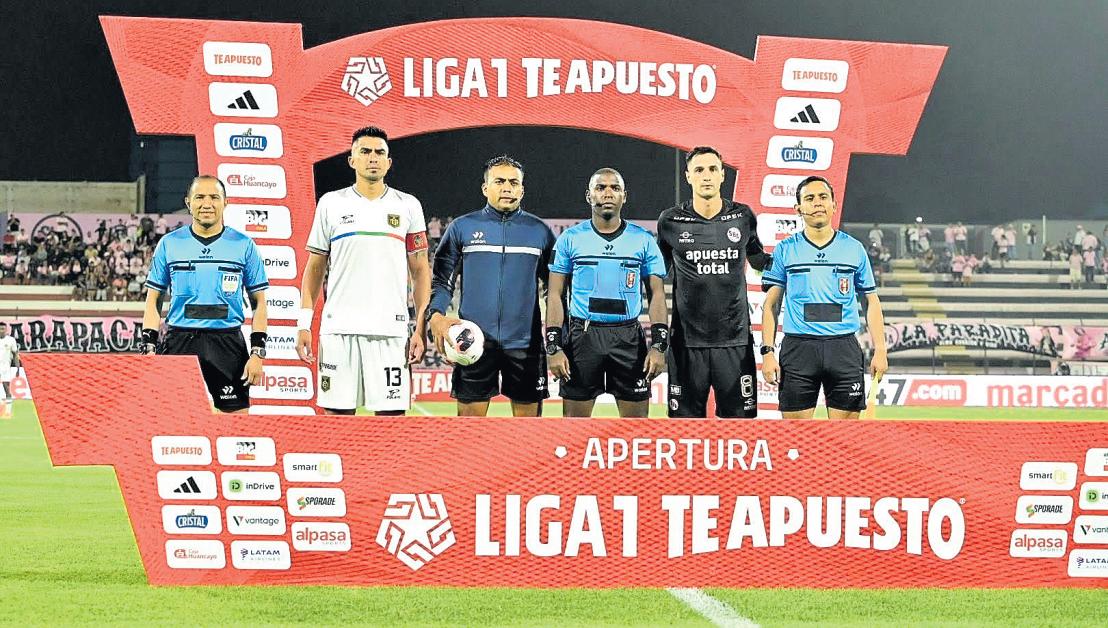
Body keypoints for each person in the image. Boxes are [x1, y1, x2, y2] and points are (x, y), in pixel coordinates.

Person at [296, 126, 431, 416]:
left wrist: (419, 328)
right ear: (352, 160)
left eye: (380, 152)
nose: (373, 157)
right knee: (337, 421)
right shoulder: (331, 203)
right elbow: (315, 268)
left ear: (389, 162)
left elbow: (420, 271)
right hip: (339, 330)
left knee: (391, 423)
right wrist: (303, 323)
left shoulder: (408, 205)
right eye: (365, 151)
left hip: (390, 332)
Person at [429, 155, 556, 417]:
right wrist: (437, 315)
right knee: (469, 433)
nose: (507, 187)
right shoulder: (461, 228)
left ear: (522, 190)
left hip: (525, 345)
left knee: (528, 436)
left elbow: (555, 291)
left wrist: (559, 339)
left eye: (513, 182)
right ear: (485, 188)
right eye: (499, 181)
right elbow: (442, 281)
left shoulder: (540, 231)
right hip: (472, 342)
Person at [760, 176, 888, 420]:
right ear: (798, 208)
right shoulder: (785, 249)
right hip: (799, 349)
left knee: (844, 438)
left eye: (823, 197)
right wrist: (767, 352)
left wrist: (880, 350)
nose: (817, 203)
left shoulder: (854, 248)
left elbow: (871, 301)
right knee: (796, 438)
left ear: (834, 205)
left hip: (843, 348)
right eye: (809, 198)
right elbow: (771, 306)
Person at [656, 146, 770, 418]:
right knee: (684, 429)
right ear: (688, 176)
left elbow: (759, 261)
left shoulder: (743, 217)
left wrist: (794, 260)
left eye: (712, 169)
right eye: (698, 170)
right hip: (686, 344)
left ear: (722, 175)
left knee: (739, 427)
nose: (706, 176)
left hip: (734, 342)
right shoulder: (670, 220)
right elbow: (656, 274)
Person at [545, 168, 668, 418]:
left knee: (635, 430)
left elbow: (656, 294)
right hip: (583, 338)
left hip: (628, 338)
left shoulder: (643, 240)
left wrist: (659, 345)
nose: (608, 193)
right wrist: (553, 347)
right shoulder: (569, 239)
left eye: (615, 188)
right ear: (589, 196)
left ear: (625, 196)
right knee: (575, 429)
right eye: (601, 188)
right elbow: (555, 294)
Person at [141, 175, 269, 414]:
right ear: (188, 202)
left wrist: (257, 353)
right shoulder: (169, 244)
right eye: (200, 197)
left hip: (228, 344)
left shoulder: (244, 245)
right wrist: (148, 347)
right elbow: (153, 299)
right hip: (180, 343)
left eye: (214, 197)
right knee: (175, 421)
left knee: (236, 425)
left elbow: (259, 303)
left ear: (225, 202)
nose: (207, 204)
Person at [0, 322, 19, 415]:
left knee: (6, 388)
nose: (1, 331)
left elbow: (15, 355)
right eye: (0, 329)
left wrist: (18, 368)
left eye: (3, 329)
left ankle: (8, 411)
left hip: (5, 367)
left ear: (6, 330)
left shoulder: (11, 340)